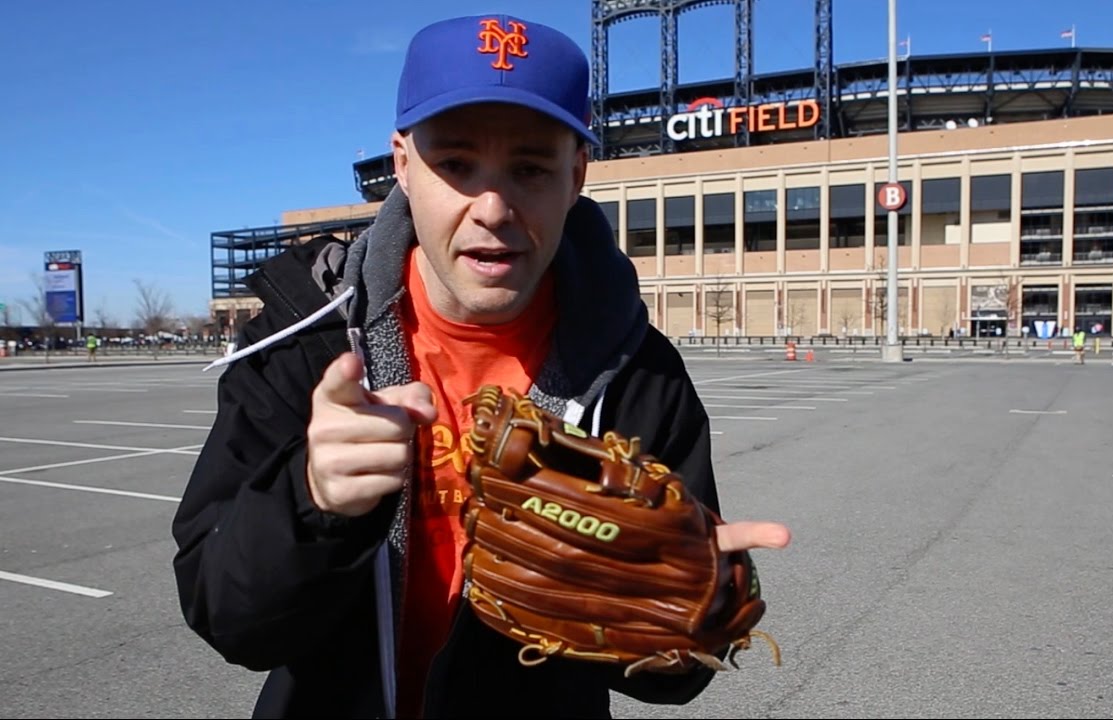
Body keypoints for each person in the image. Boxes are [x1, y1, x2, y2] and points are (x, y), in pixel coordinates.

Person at [171, 13, 790, 720]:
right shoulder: (305, 344)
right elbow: (227, 618)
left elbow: (669, 680)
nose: (492, 207)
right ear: (402, 164)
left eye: (530, 168)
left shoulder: (639, 372)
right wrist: (311, 502)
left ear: (576, 176)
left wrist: (685, 609)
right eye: (456, 164)